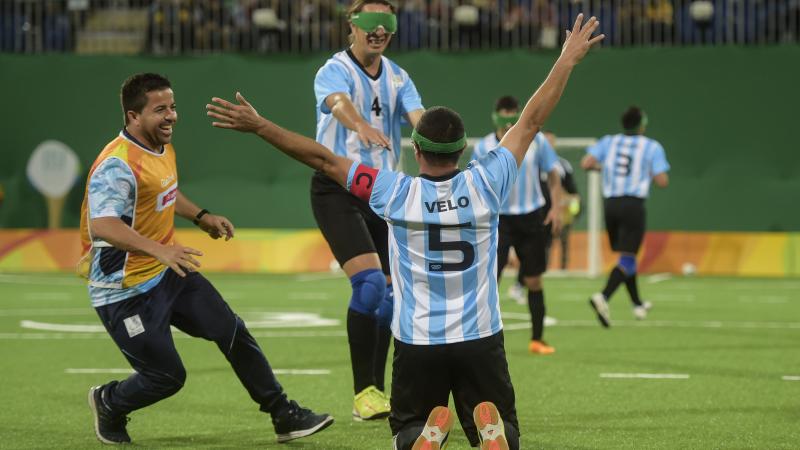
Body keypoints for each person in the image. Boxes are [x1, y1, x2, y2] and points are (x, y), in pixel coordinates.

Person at [207, 13, 603, 450]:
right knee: (504, 426)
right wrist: (566, 60)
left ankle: (419, 435)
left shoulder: (392, 192)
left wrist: (260, 125)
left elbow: (322, 159)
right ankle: (495, 434)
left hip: (418, 340)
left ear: (415, 149)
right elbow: (529, 122)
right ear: (462, 148)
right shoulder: (488, 181)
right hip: (480, 337)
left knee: (408, 427)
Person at [78, 73, 333, 445]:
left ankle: (284, 415)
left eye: (173, 106)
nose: (171, 116)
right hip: (123, 290)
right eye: (160, 109)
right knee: (166, 377)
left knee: (230, 329)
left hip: (167, 272)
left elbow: (164, 192)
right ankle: (109, 402)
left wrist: (201, 217)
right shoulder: (117, 164)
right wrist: (159, 249)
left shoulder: (161, 147)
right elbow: (102, 224)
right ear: (133, 117)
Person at [311, 0, 424, 420]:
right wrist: (359, 124)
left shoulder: (399, 76)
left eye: (387, 23)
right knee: (371, 287)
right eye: (371, 22)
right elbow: (338, 103)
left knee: (393, 299)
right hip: (337, 189)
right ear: (352, 25)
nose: (379, 30)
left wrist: (437, 133)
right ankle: (363, 392)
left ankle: (376, 395)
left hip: (383, 193)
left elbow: (419, 117)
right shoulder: (333, 70)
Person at [471, 96, 563, 356]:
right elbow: (477, 183)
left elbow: (554, 173)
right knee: (490, 281)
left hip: (532, 216)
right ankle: (482, 343)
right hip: (498, 221)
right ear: (496, 115)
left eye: (513, 111)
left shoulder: (537, 140)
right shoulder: (484, 146)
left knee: (534, 279)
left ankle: (537, 339)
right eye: (504, 112)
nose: (509, 116)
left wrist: (556, 207)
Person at [581, 106, 670, 327]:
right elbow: (662, 180)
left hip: (610, 205)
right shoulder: (651, 146)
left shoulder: (609, 141)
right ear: (642, 125)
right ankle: (603, 296)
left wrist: (607, 169)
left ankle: (637, 304)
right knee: (628, 258)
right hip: (632, 204)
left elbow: (587, 163)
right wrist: (646, 172)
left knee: (626, 256)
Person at [541, 131, 581, 271]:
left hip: (561, 211)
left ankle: (563, 270)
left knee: (563, 241)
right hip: (538, 212)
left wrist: (571, 207)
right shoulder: (530, 162)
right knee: (541, 244)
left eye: (550, 142)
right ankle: (541, 270)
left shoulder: (563, 165)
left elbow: (574, 192)